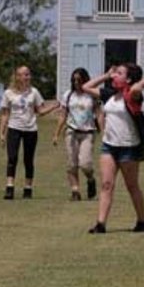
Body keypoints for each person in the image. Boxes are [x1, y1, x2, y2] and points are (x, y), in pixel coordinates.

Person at [83, 63, 144, 234]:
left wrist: (138, 83)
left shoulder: (132, 96)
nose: (115, 75)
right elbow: (86, 87)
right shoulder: (110, 95)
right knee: (106, 184)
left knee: (132, 186)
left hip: (128, 147)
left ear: (128, 78)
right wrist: (107, 76)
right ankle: (100, 224)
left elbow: (137, 89)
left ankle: (142, 221)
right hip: (109, 146)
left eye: (119, 73)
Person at [0, 65, 52, 199]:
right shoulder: (8, 93)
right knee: (12, 158)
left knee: (28, 159)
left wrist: (54, 106)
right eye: (24, 74)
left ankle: (28, 188)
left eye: (28, 74)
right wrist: (2, 133)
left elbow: (40, 111)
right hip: (14, 128)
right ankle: (9, 187)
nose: (27, 77)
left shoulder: (34, 92)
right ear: (17, 77)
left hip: (30, 129)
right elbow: (5, 114)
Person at [53, 67, 100, 201]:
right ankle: (75, 191)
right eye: (74, 80)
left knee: (85, 164)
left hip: (88, 133)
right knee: (71, 163)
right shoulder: (68, 95)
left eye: (79, 80)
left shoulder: (91, 95)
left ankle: (91, 179)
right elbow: (63, 115)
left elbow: (99, 114)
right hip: (71, 132)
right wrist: (57, 133)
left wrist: (104, 130)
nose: (76, 82)